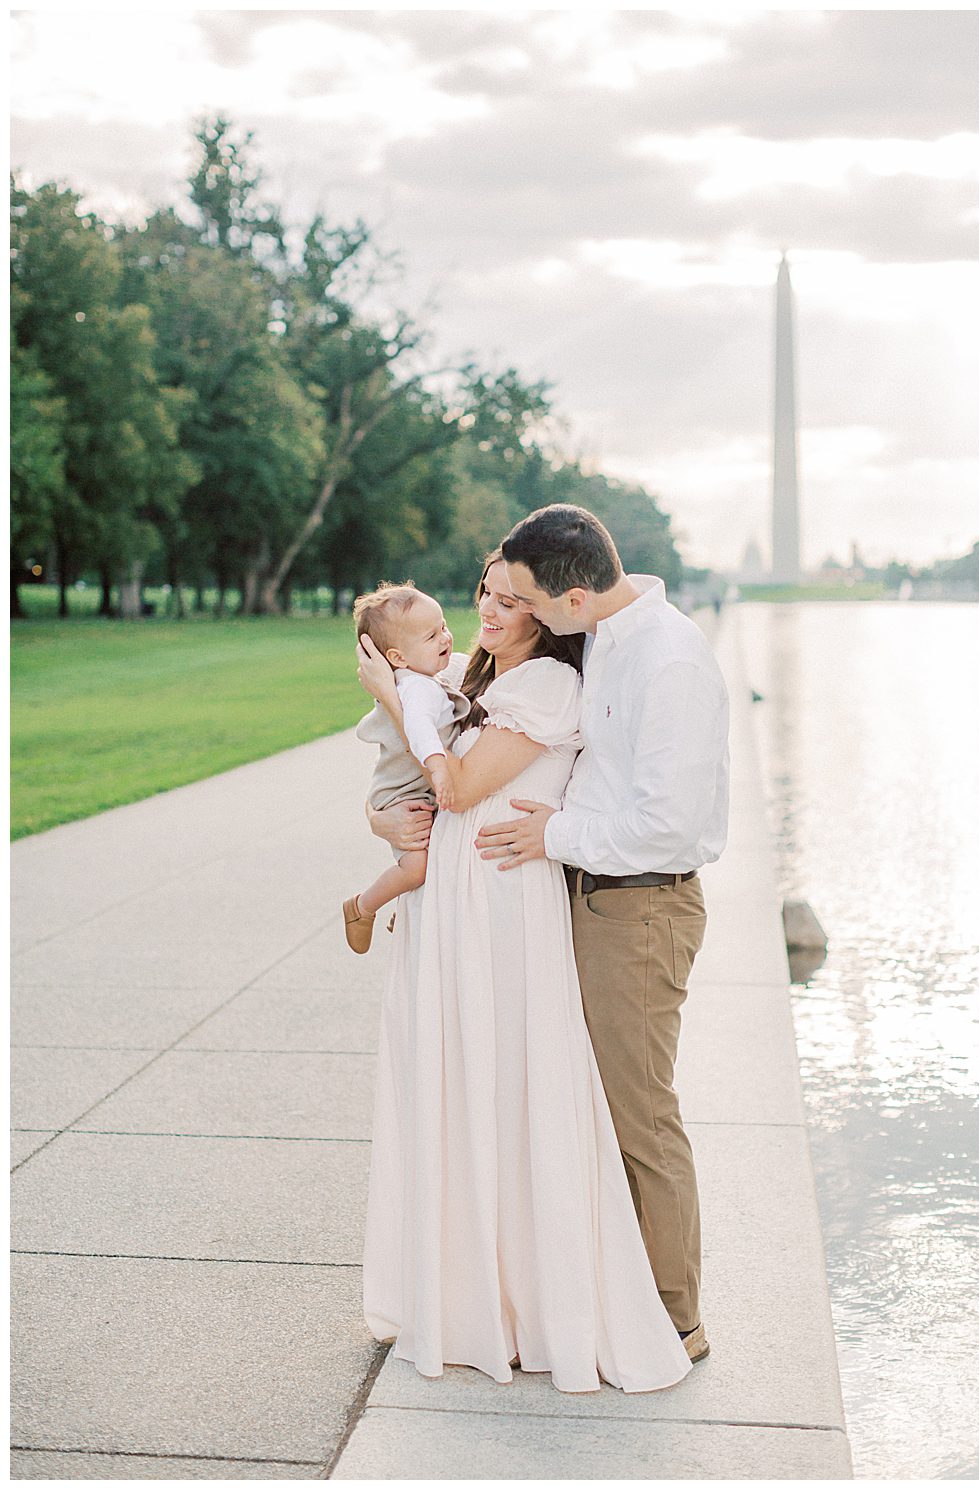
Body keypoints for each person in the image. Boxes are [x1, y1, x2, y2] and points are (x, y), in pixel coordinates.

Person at [356, 550, 693, 1394]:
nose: (489, 610)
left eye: (511, 600)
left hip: (505, 914)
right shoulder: (473, 681)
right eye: (483, 595)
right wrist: (385, 821)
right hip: (459, 912)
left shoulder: (546, 684)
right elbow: (409, 789)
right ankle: (477, 1299)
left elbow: (462, 788)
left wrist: (392, 698)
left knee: (517, 1089)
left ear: (547, 612)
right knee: (462, 1091)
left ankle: (551, 1302)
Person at [476, 504, 730, 1365]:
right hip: (587, 897)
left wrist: (552, 835)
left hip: (641, 908)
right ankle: (605, 1298)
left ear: (577, 595)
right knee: (586, 1109)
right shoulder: (606, 644)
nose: (529, 618)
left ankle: (674, 1321)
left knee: (638, 1115)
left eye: (533, 603)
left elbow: (665, 823)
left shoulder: (669, 660)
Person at [343, 583, 467, 954]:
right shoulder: (416, 690)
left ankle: (409, 906)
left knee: (440, 850)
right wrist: (437, 765)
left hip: (412, 786)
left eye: (443, 626)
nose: (445, 637)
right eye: (431, 635)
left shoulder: (428, 677)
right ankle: (362, 907)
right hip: (402, 792)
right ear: (397, 657)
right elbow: (416, 728)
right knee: (417, 866)